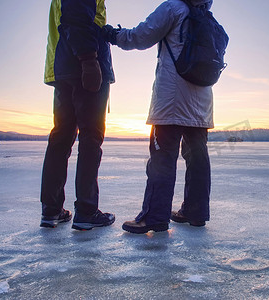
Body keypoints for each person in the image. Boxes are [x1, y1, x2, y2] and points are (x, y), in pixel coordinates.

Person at [103, 0, 216, 234]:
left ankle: (154, 217)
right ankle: (195, 213)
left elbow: (142, 36)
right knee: (197, 157)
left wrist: (114, 35)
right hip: (201, 102)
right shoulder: (207, 17)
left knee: (162, 158)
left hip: (172, 100)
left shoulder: (173, 8)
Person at [40, 0, 116, 230]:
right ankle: (86, 210)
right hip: (83, 67)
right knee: (91, 138)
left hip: (64, 68)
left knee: (60, 138)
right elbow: (76, 17)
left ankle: (51, 210)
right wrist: (89, 60)